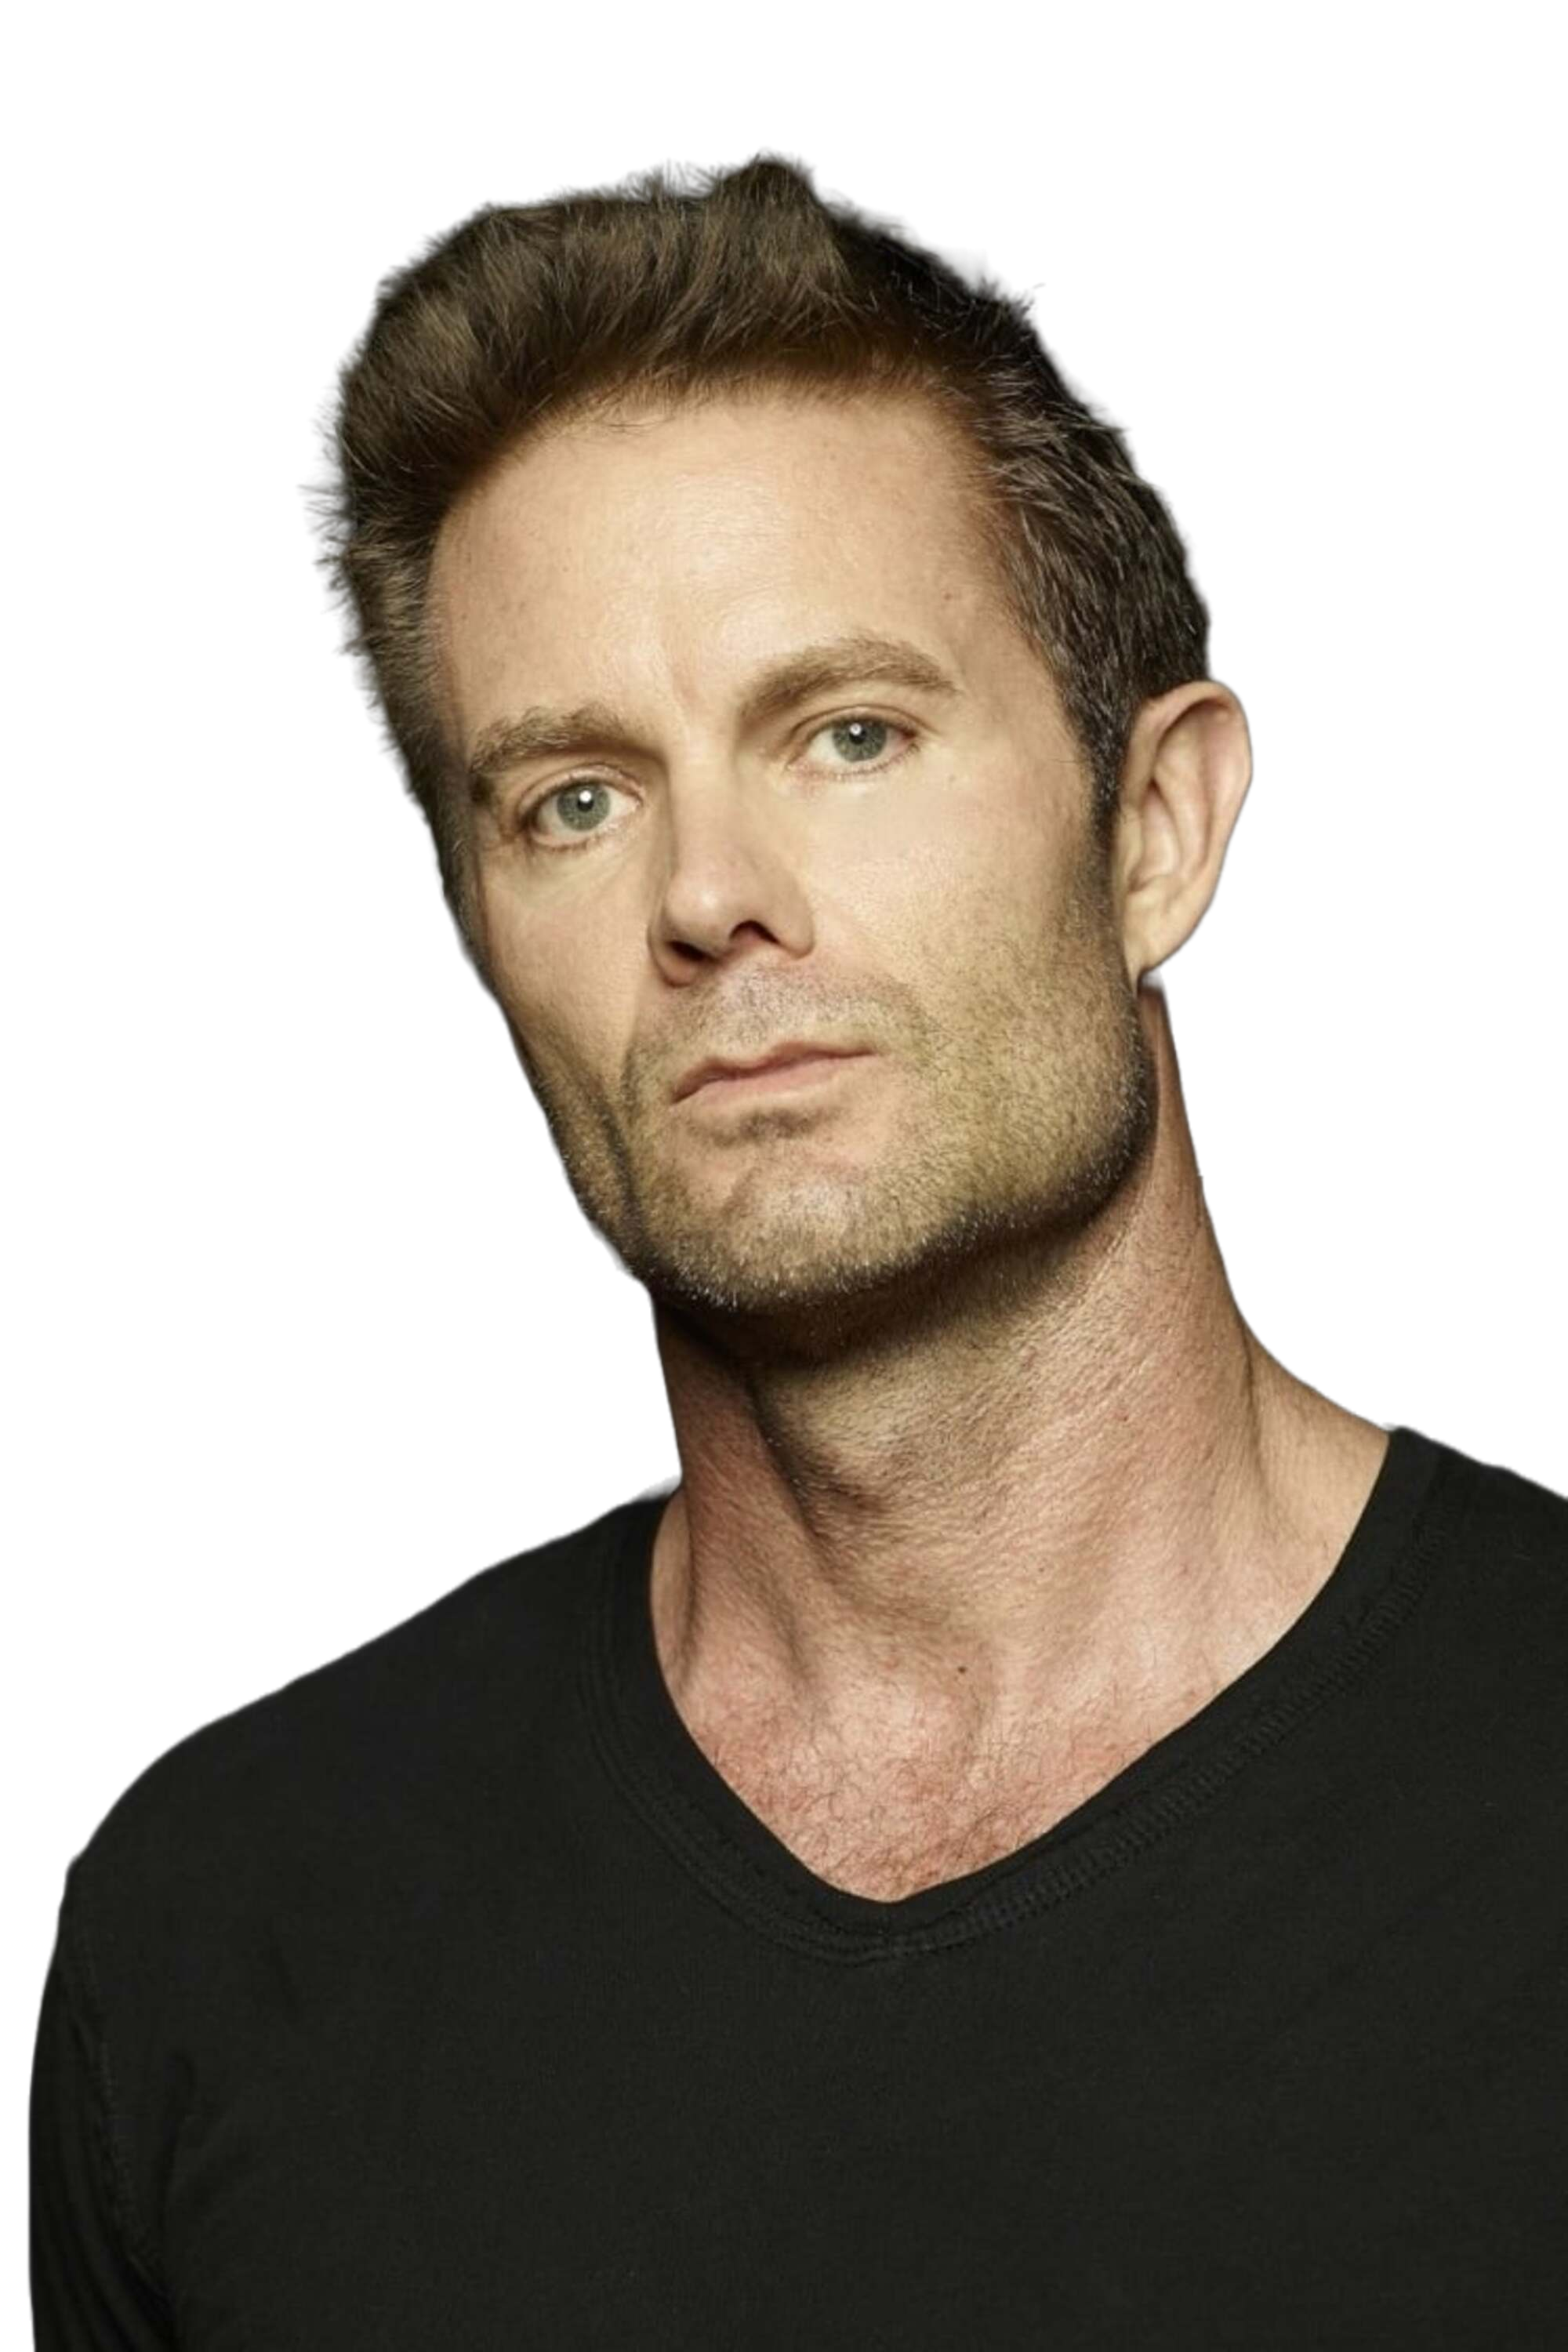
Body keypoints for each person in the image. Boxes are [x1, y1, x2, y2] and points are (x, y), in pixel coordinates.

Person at [30, 153, 1566, 2348]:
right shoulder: (228, 1925)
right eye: (574, 798)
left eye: (850, 733)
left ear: (1154, 830)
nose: (705, 895)